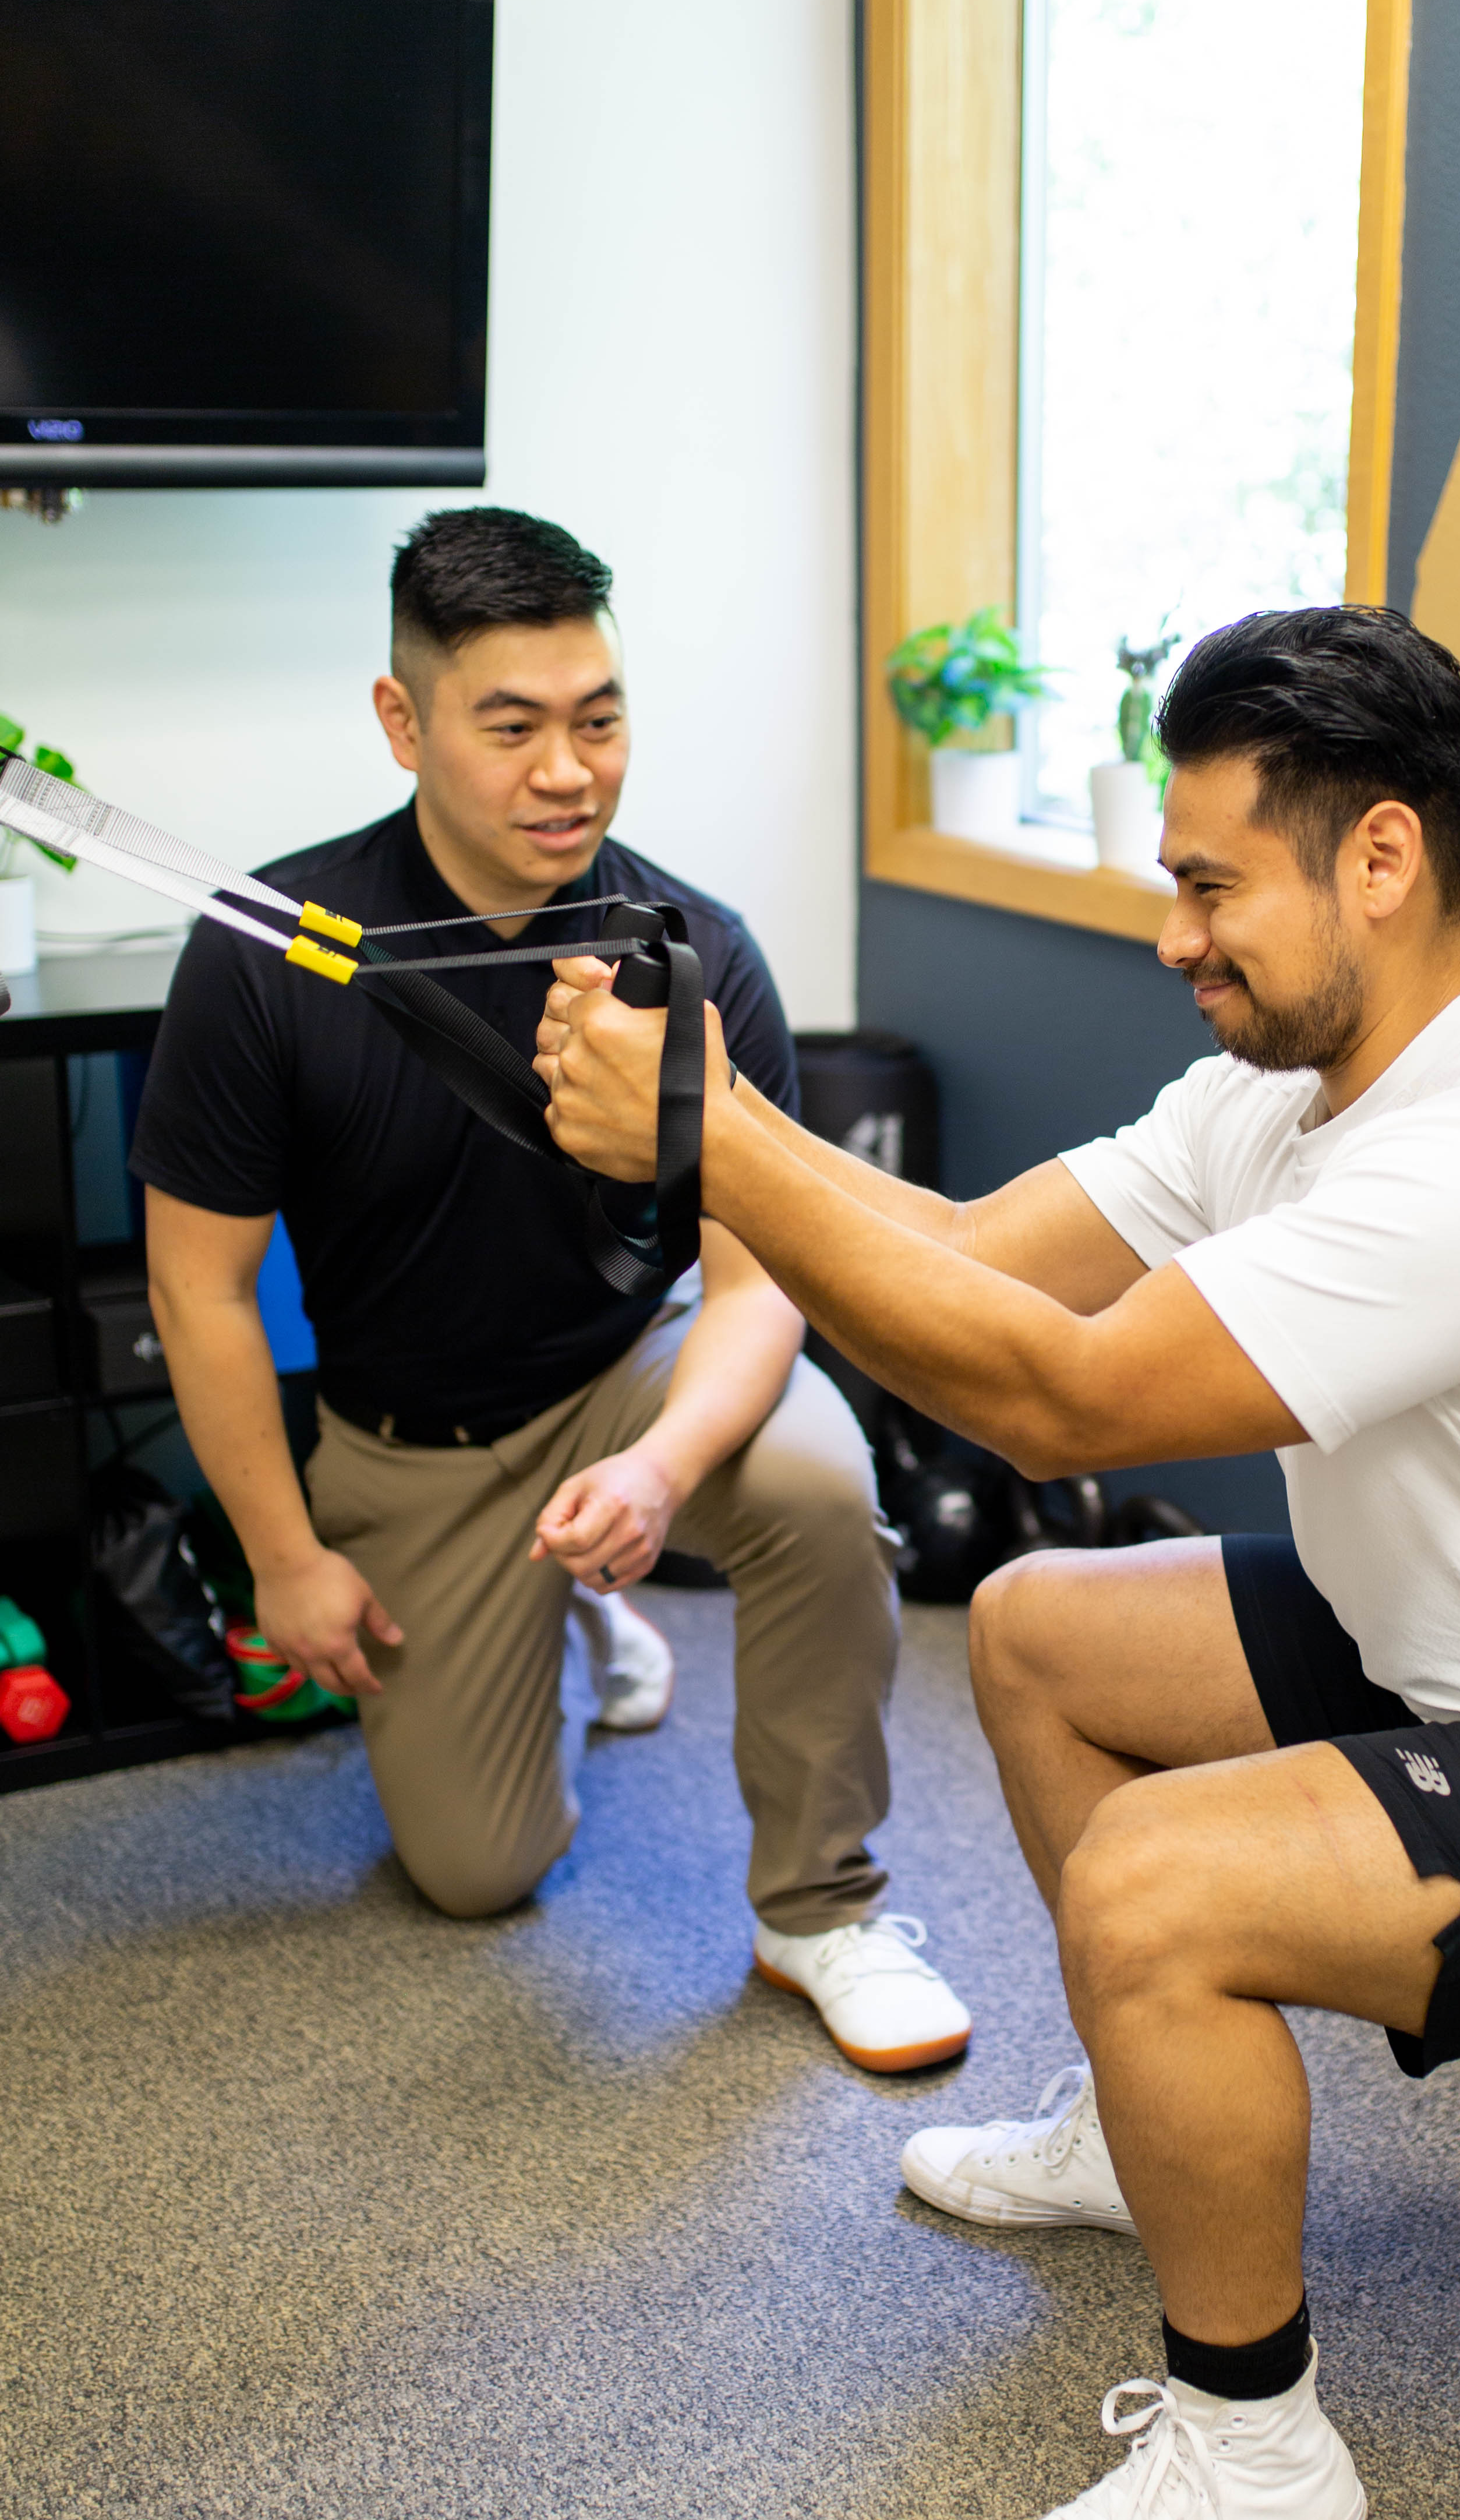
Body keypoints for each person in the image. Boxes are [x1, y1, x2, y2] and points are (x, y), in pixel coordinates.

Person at [534, 602, 1460, 2520]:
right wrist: (725, 1118)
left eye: (1206, 883)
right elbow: (969, 1262)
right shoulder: (1284, 1088)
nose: (1175, 930)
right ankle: (1132, 2127)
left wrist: (709, 1143)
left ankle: (1256, 2452)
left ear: (1382, 863)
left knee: (1157, 1885)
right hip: (1444, 1648)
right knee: (1047, 1630)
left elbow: (1060, 1400)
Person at [132, 506, 971, 2075]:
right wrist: (286, 1556)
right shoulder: (267, 953)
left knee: (807, 1471)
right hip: (414, 1444)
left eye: (598, 719)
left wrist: (658, 1470)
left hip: (624, 1375)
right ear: (403, 721)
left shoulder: (695, 951)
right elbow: (202, 1291)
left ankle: (824, 1907)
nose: (567, 770)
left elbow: (755, 1289)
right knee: (475, 1876)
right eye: (510, 727)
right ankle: (584, 1638)